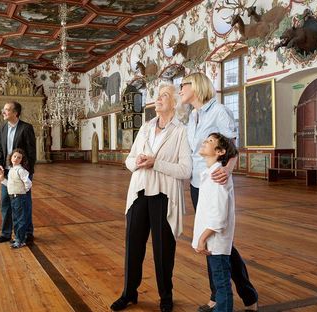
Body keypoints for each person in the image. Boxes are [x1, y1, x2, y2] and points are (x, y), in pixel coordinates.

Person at [179, 73, 258, 312]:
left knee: (220, 243)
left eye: (183, 85)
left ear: (196, 86)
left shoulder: (219, 111)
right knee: (211, 243)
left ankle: (244, 294)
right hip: (197, 183)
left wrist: (227, 171)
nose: (180, 89)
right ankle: (221, 296)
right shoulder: (193, 116)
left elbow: (232, 147)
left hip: (214, 182)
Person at [111, 84, 192, 312]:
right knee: (133, 246)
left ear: (174, 103)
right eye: (157, 96)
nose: (158, 99)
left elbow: (185, 170)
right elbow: (129, 160)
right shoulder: (145, 128)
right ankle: (129, 293)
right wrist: (136, 163)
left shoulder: (180, 131)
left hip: (164, 197)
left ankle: (166, 296)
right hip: (139, 193)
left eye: (164, 96)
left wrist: (156, 163)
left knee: (163, 250)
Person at [193, 133, 239, 312]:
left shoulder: (218, 177)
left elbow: (219, 216)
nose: (205, 142)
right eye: (205, 140)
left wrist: (202, 238)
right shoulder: (209, 173)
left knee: (222, 285)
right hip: (213, 242)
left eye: (210, 141)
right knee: (220, 282)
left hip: (216, 242)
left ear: (220, 152)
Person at [0, 101, 36, 245]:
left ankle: (27, 233)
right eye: (4, 109)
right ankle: (5, 234)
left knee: (24, 204)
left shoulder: (26, 128)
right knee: (5, 203)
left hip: (21, 173)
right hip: (6, 173)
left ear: (15, 113)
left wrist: (27, 173)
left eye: (7, 110)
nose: (3, 112)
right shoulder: (2, 127)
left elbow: (31, 153)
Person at [0, 148, 32, 248]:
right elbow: (9, 185)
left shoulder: (21, 170)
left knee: (20, 219)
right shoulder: (12, 170)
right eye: (14, 156)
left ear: (22, 160)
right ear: (11, 157)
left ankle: (20, 240)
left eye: (19, 157)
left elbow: (28, 183)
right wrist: (1, 178)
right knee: (16, 219)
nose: (16, 158)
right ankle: (18, 238)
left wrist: (23, 191)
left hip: (19, 197)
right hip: (13, 198)